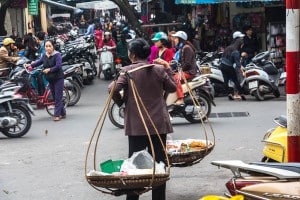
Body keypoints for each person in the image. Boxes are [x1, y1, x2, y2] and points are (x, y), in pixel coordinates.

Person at [108, 38, 176, 200]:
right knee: (160, 165)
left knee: (134, 166)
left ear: (132, 54)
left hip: (137, 126)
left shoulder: (128, 71)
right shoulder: (158, 69)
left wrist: (122, 102)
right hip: (158, 124)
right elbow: (173, 87)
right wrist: (168, 69)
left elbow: (112, 89)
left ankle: (133, 197)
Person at [29, 40, 66, 121]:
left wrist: (49, 69)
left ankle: (57, 115)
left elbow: (58, 66)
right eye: (46, 46)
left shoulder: (57, 55)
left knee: (58, 97)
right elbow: (38, 62)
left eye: (50, 46)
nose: (48, 48)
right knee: (55, 96)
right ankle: (63, 113)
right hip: (50, 78)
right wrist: (30, 65)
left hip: (58, 78)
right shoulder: (44, 55)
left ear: (53, 47)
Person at [171, 31, 197, 105]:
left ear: (180, 39)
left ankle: (180, 98)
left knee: (176, 78)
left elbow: (187, 64)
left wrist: (178, 71)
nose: (174, 40)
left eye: (175, 38)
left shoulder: (186, 48)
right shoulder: (181, 48)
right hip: (185, 70)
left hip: (189, 71)